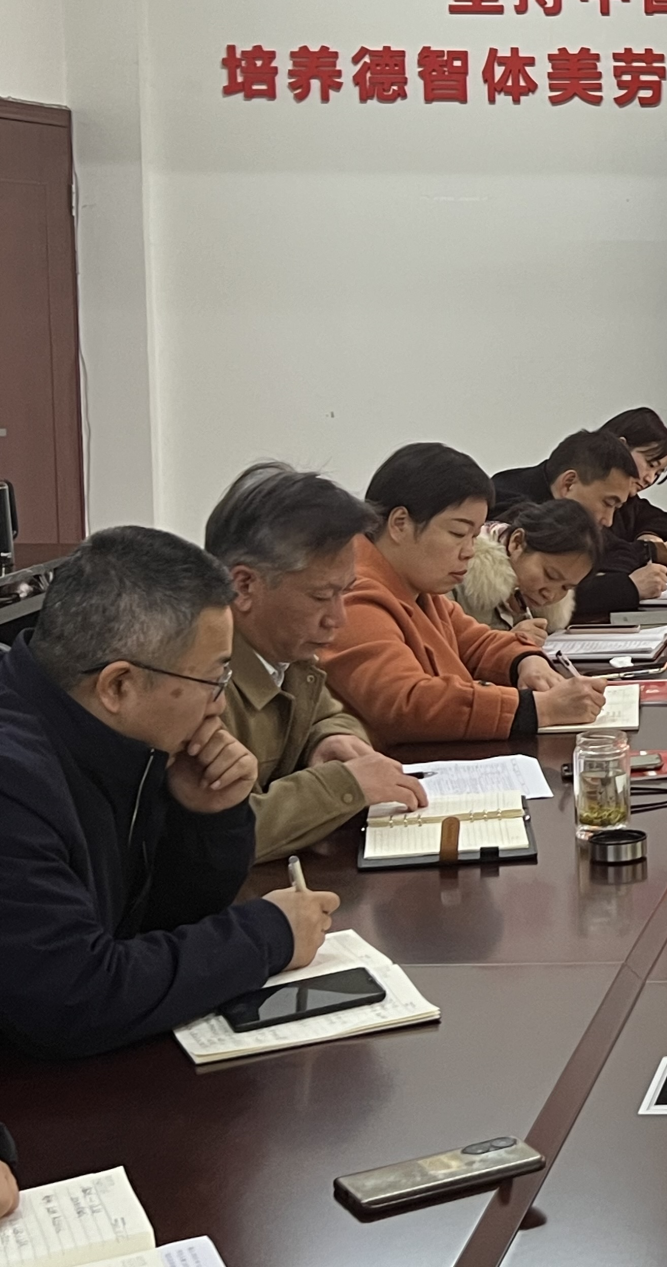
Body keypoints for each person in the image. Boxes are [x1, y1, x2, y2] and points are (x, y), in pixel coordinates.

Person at [0, 527, 338, 1058]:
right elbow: (70, 996)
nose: (219, 705)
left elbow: (153, 924)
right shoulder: (13, 778)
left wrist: (206, 819)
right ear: (119, 685)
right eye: (214, 680)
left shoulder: (113, 738)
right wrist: (267, 936)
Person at [206, 462, 428, 862]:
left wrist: (329, 739)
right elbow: (221, 834)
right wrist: (345, 787)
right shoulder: (197, 684)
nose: (338, 619)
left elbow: (326, 715)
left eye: (345, 593)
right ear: (244, 586)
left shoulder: (285, 652)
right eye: (321, 596)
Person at [323, 443, 605, 745]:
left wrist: (525, 660)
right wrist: (538, 709)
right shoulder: (353, 594)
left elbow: (477, 643)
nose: (469, 551)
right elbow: (405, 702)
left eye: (474, 535)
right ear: (400, 523)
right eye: (458, 533)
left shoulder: (418, 589)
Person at [490, 431, 664, 617]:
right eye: (608, 503)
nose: (609, 520)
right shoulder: (508, 506)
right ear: (569, 483)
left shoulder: (573, 522)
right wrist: (626, 588)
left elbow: (618, 552)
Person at [453, 499, 602, 644]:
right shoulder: (455, 572)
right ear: (517, 542)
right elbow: (443, 653)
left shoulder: (531, 606)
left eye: (566, 587)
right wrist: (506, 643)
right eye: (550, 575)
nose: (550, 595)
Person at [601, 406, 667, 565]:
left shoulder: (627, 500)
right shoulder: (579, 496)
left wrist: (649, 537)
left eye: (658, 473)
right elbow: (601, 556)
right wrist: (656, 551)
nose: (650, 479)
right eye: (651, 464)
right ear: (621, 447)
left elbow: (661, 521)